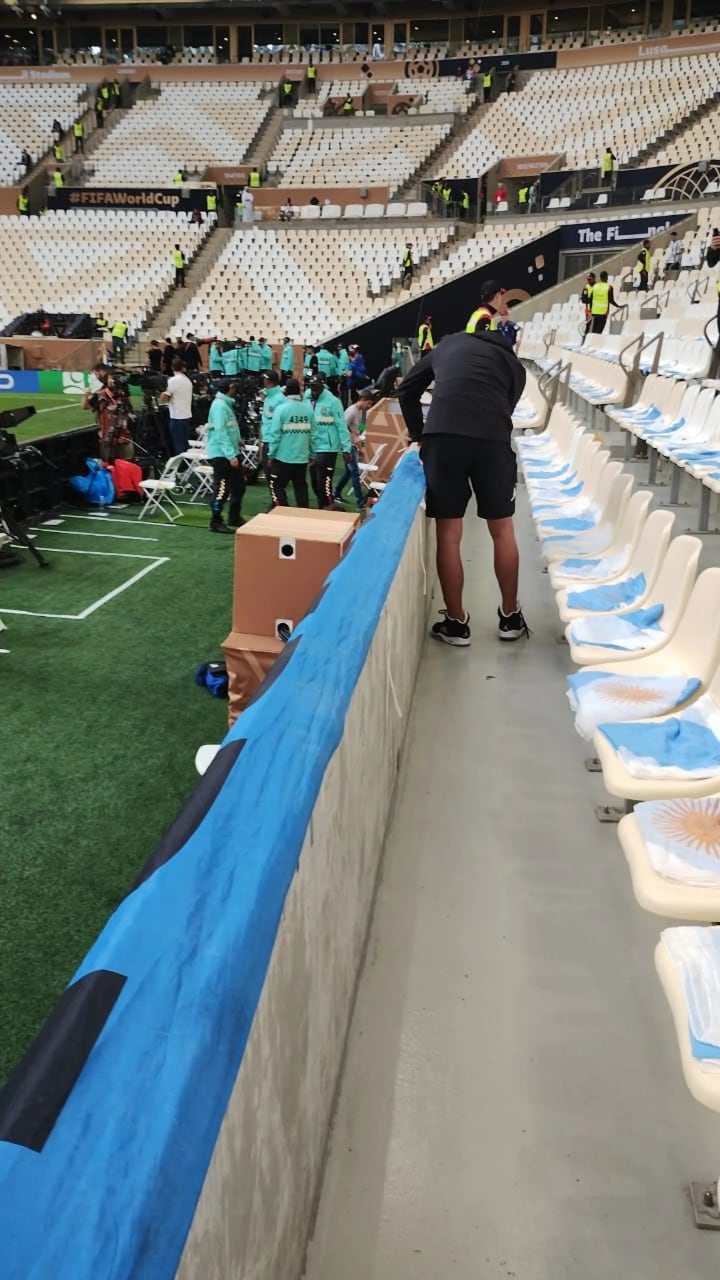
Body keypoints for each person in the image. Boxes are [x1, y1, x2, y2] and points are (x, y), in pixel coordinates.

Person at [398, 324, 528, 646]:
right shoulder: (514, 364)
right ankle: (510, 617)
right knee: (502, 530)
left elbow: (406, 390)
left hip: (443, 437)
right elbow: (505, 409)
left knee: (449, 532)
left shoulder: (447, 344)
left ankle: (456, 624)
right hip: (491, 439)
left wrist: (418, 434)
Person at [267, 378, 317, 508]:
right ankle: (303, 514)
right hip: (301, 457)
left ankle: (282, 512)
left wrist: (271, 454)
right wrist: (312, 454)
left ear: (286, 391)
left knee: (277, 485)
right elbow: (313, 435)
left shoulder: (281, 409)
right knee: (300, 486)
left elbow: (275, 435)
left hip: (283, 457)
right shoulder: (308, 410)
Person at [206, 382, 246, 534]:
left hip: (230, 451)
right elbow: (220, 432)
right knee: (222, 490)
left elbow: (230, 427)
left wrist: (237, 441)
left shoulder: (225, 404)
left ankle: (234, 516)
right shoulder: (220, 406)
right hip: (221, 455)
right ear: (229, 389)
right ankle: (215, 520)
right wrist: (230, 455)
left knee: (239, 487)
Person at [306, 377, 351, 508]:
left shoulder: (333, 402)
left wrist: (346, 448)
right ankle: (323, 506)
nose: (313, 390)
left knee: (323, 482)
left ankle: (328, 507)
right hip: (313, 447)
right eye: (312, 386)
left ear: (323, 386)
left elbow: (341, 426)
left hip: (328, 448)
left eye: (316, 387)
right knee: (314, 482)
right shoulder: (308, 399)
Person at [82, 363, 134, 463]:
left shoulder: (123, 393)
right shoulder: (101, 394)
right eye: (111, 378)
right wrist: (86, 396)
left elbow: (128, 409)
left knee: (128, 464)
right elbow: (85, 406)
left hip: (124, 437)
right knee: (110, 466)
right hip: (107, 438)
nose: (113, 380)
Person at [333, 390, 374, 508]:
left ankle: (336, 493)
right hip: (348, 445)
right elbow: (343, 428)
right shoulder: (351, 411)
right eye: (369, 403)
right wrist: (356, 445)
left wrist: (361, 445)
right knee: (355, 472)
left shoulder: (361, 412)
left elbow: (359, 429)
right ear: (363, 400)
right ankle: (360, 500)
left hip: (354, 444)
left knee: (349, 472)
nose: (369, 406)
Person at [161, 356, 194, 455]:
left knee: (178, 444)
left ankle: (181, 466)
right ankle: (186, 464)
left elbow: (165, 398)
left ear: (172, 368)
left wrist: (162, 394)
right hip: (186, 414)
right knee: (184, 443)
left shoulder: (173, 381)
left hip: (177, 416)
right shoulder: (188, 380)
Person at [260, 370, 286, 478]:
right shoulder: (268, 397)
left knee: (274, 478)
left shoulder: (280, 399)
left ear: (268, 381)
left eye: (264, 379)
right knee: (270, 476)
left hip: (274, 442)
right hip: (267, 440)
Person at [580, 272, 596, 340]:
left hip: (597, 309)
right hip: (588, 310)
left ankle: (593, 339)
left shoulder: (597, 286)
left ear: (594, 278)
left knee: (595, 326)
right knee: (588, 325)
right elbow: (584, 299)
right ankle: (585, 338)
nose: (589, 281)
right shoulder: (586, 287)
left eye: (590, 279)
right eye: (588, 279)